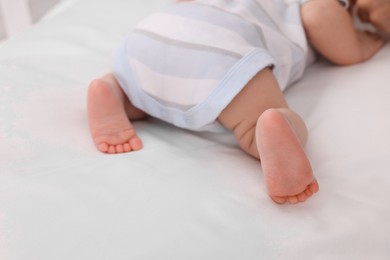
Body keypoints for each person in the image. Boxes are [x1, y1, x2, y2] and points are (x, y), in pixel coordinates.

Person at [87, 0, 384, 204]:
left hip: (152, 35)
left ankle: (115, 91)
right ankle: (265, 126)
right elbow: (320, 19)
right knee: (255, 116)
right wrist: (360, 44)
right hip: (222, 51)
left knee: (141, 85)